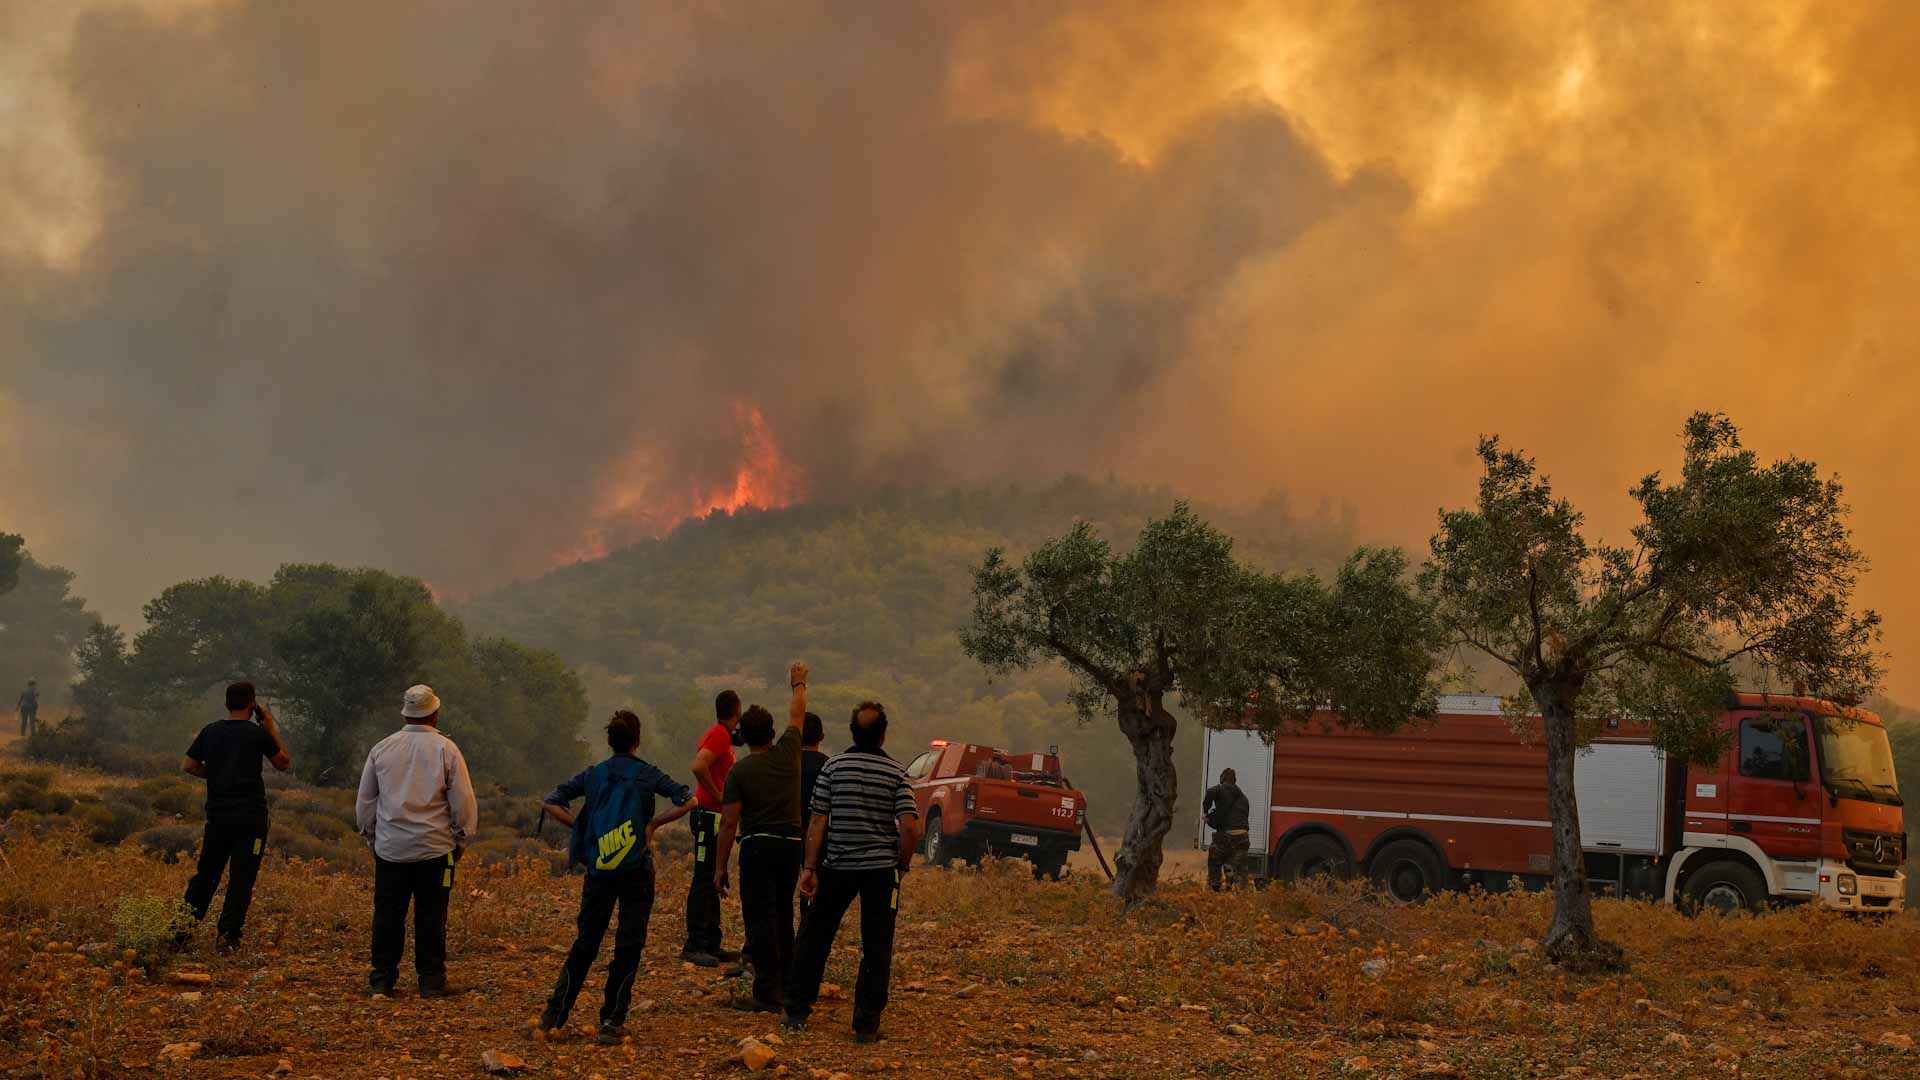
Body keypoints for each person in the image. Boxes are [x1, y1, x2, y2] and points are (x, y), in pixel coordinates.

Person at [536, 710, 697, 1042]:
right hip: (637, 868)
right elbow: (688, 799)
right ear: (637, 740)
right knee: (629, 943)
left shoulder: (594, 774)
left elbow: (551, 801)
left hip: (599, 870)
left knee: (586, 942)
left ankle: (554, 1014)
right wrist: (652, 825)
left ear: (610, 741)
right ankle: (612, 1020)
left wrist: (585, 828)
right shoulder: (647, 774)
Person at [783, 700, 920, 1043]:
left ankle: (797, 1009)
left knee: (816, 937)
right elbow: (909, 827)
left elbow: (817, 821)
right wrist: (902, 864)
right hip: (880, 872)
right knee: (876, 945)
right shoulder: (897, 773)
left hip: (837, 866)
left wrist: (810, 867)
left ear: (852, 733)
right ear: (883, 735)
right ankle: (865, 1023)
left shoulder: (834, 768)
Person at [356, 684, 478, 998]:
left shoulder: (382, 748)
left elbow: (365, 804)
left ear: (406, 713)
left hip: (390, 849)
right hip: (434, 849)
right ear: (435, 714)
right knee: (432, 915)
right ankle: (431, 981)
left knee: (387, 915)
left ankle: (382, 979)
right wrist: (460, 842)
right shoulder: (446, 750)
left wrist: (374, 840)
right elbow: (463, 804)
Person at [714, 664, 808, 1013]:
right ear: (772, 733)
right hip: (790, 847)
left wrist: (719, 867)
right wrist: (799, 683)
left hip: (755, 846)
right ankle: (786, 984)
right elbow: (798, 714)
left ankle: (767, 991)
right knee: (783, 914)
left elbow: (728, 824)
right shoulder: (789, 753)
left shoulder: (739, 771)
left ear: (745, 738)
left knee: (759, 919)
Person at [180, 682, 291, 948]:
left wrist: (216, 774)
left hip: (218, 818)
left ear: (227, 703)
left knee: (206, 875)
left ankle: (181, 932)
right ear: (252, 705)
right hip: (251, 820)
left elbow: (190, 765)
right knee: (242, 877)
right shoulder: (257, 733)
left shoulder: (210, 731)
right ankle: (227, 936)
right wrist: (270, 727)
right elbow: (283, 763)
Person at [683, 689, 744, 967]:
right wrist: (718, 797)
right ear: (737, 711)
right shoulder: (719, 734)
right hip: (707, 816)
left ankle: (711, 942)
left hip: (715, 818)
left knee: (713, 876)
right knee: (703, 877)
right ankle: (693, 944)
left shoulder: (724, 738)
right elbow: (698, 766)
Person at [797, 711, 828, 920]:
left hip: (789, 830)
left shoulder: (788, 763)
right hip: (820, 833)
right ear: (822, 737)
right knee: (815, 887)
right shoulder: (829, 766)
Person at [1202, 768, 1251, 892]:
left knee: (1215, 856)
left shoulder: (1221, 789)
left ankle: (1214, 885)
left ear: (1222, 779)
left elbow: (1210, 791)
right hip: (1243, 837)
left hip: (1227, 836)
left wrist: (1206, 812)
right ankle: (1233, 888)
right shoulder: (1243, 797)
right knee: (1234, 863)